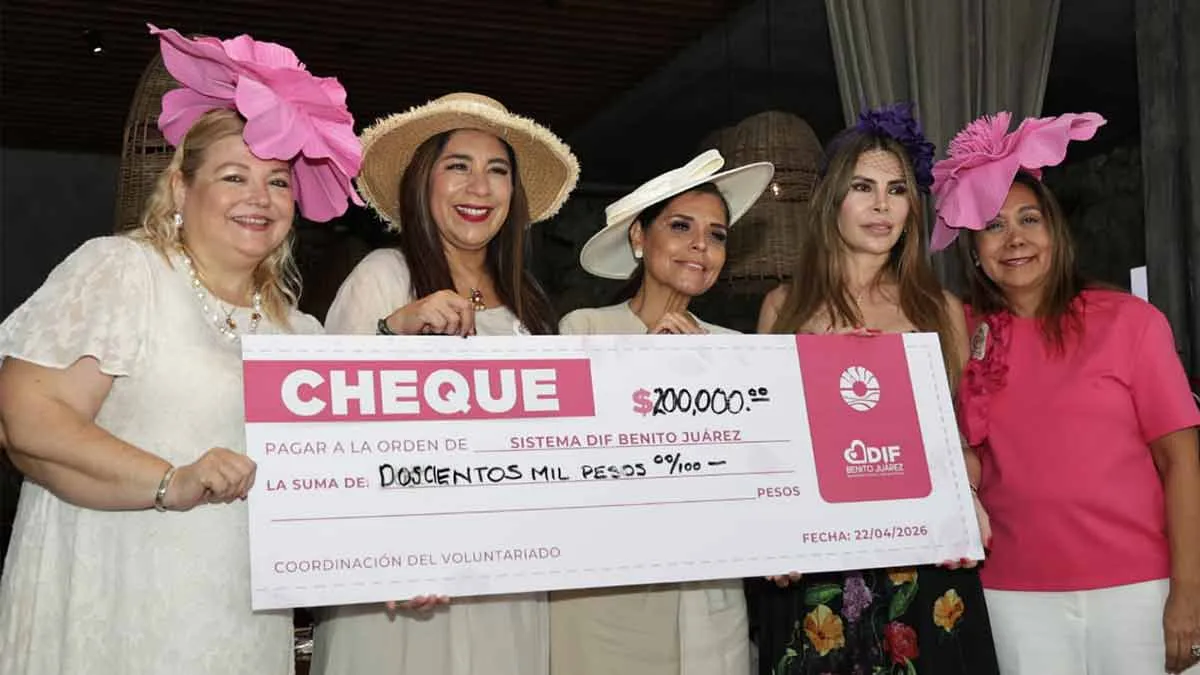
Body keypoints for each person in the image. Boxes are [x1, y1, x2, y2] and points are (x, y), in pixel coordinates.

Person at [0, 24, 360, 674]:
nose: (260, 197)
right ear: (179, 188)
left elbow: (330, 489)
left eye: (278, 182)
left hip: (238, 620)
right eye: (234, 176)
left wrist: (403, 558)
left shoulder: (300, 335)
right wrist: (173, 479)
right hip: (116, 599)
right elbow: (28, 420)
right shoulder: (123, 272)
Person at [312, 92, 579, 675]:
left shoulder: (531, 304)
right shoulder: (385, 275)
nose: (479, 188)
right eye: (458, 166)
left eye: (497, 171)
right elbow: (323, 425)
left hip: (508, 572)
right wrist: (392, 331)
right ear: (422, 183)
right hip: (402, 580)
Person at [931, 110, 1200, 675]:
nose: (1015, 239)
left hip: (1140, 589)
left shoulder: (1131, 323)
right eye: (993, 225)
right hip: (1012, 595)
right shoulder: (959, 333)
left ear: (1055, 230)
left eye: (1029, 219)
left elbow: (1181, 462)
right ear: (973, 246)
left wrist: (1189, 593)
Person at [753, 103, 1000, 675]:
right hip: (818, 563)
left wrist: (965, 503)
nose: (882, 205)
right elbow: (770, 452)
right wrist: (772, 535)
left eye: (897, 190)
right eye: (863, 187)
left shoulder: (940, 309)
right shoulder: (783, 308)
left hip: (926, 558)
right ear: (830, 199)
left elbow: (962, 444)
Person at [549, 149, 774, 675]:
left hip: (707, 598)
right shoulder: (583, 330)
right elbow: (569, 468)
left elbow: (759, 474)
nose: (702, 245)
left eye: (717, 234)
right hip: (603, 603)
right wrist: (645, 368)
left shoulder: (736, 349)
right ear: (638, 237)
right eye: (681, 226)